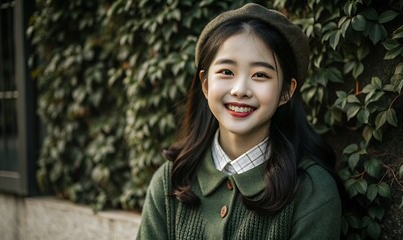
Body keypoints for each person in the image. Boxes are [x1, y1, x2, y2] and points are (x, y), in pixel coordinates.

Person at [136, 3, 342, 240]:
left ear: (286, 92)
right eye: (226, 72)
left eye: (260, 75)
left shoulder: (313, 191)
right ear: (205, 84)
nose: (240, 90)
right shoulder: (170, 180)